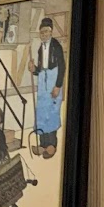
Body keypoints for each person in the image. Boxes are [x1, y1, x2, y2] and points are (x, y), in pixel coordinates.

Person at [29, 16, 66, 158]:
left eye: (46, 31)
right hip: (43, 83)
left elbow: (62, 66)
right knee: (41, 112)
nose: (43, 34)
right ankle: (42, 144)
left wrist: (58, 86)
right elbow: (40, 69)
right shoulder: (40, 48)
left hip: (52, 81)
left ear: (51, 32)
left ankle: (51, 145)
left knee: (51, 112)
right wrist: (34, 69)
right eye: (41, 32)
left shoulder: (56, 46)